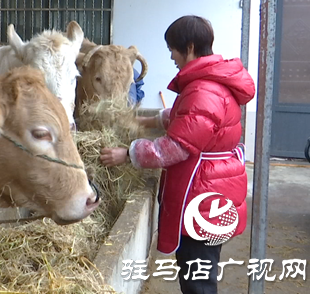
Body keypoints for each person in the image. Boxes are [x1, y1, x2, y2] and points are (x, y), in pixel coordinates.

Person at [99, 15, 255, 294]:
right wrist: (153, 120)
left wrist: (128, 153)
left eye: (173, 48)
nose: (171, 55)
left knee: (198, 280)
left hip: (203, 197)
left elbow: (174, 147)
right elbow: (193, 119)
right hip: (211, 189)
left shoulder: (203, 90)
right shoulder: (209, 83)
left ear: (190, 47)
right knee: (198, 272)